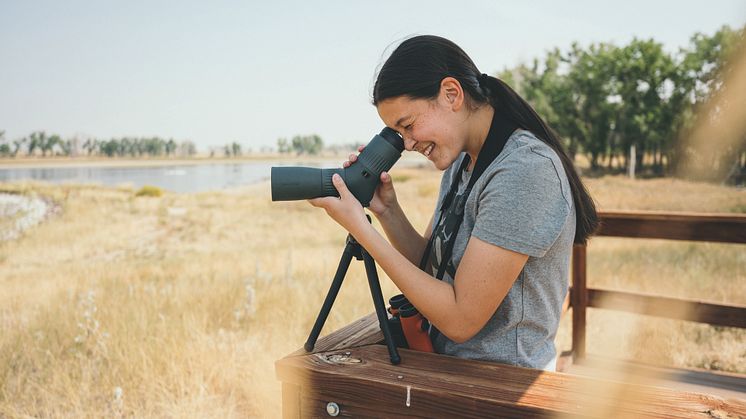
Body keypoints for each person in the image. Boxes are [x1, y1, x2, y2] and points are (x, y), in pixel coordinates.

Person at [309, 35, 598, 371]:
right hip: (452, 370)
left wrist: (360, 229)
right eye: (397, 133)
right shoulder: (464, 162)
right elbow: (433, 270)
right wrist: (387, 211)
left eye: (408, 125)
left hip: (502, 384)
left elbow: (461, 320)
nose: (407, 143)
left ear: (451, 94)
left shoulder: (525, 170)